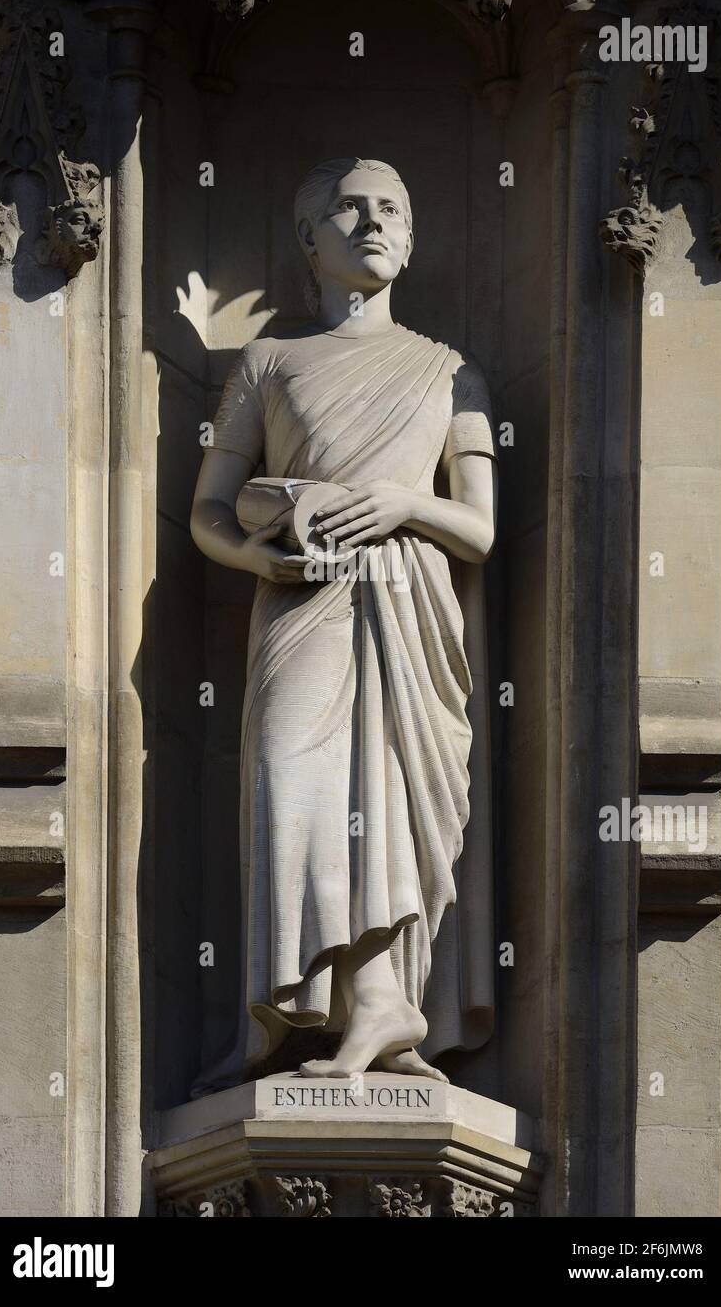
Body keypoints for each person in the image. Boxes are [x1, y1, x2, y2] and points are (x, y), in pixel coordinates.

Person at [190, 157, 498, 1088]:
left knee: (388, 797)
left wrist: (397, 500)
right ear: (307, 238)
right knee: (295, 783)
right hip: (299, 596)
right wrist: (255, 556)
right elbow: (209, 509)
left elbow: (478, 529)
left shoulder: (451, 372)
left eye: (393, 208)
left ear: (411, 236)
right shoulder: (269, 361)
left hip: (406, 602)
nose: (374, 222)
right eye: (349, 208)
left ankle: (379, 1004)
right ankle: (314, 1011)